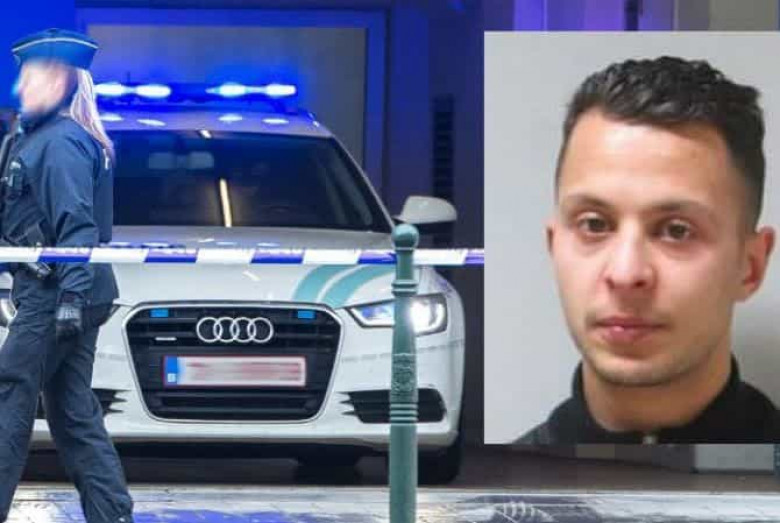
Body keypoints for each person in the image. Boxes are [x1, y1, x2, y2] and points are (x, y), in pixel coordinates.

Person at [517, 56, 779, 444]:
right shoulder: (496, 480)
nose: (626, 274)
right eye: (594, 225)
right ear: (554, 248)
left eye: (676, 230)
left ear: (751, 266)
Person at [0, 29, 134, 522]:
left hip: (57, 291)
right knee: (73, 413)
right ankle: (112, 514)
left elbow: (77, 228)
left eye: (32, 77)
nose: (22, 87)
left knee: (8, 394)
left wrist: (71, 300)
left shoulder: (60, 142)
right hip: (67, 289)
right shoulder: (34, 138)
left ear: (60, 82)